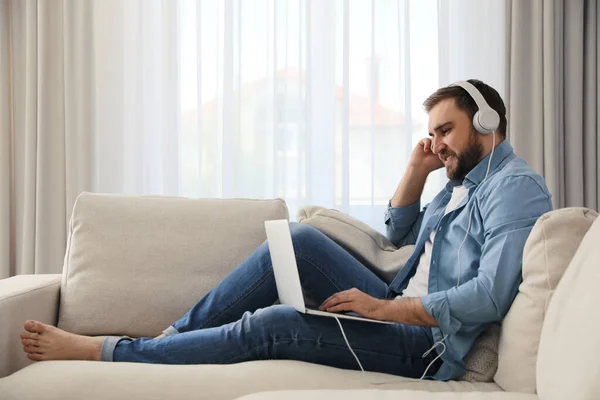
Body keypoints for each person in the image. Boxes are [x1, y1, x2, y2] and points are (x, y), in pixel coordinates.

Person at [19, 79, 552, 380]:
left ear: (487, 123)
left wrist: (384, 311)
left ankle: (107, 351)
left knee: (270, 323)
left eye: (445, 131)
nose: (437, 143)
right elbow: (401, 235)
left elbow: (487, 294)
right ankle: (170, 340)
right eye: (431, 133)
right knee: (293, 243)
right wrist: (417, 169)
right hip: (398, 302)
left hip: (428, 343)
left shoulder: (514, 187)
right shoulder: (459, 181)